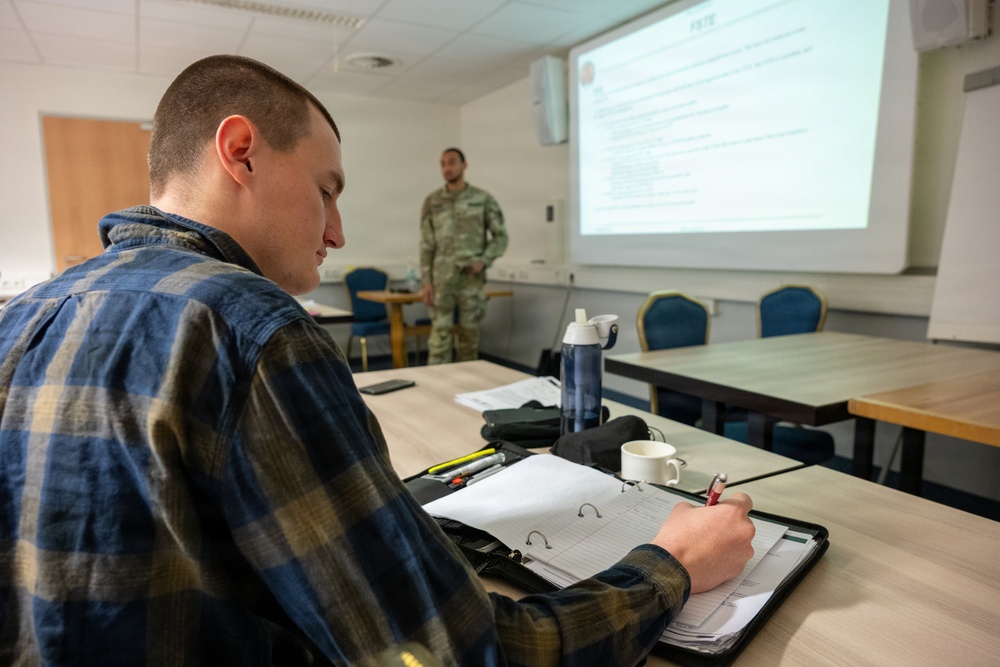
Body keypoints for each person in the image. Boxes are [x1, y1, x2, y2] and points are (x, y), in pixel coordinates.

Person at [0, 54, 756, 666]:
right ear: (240, 152)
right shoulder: (252, 328)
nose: (337, 231)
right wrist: (671, 562)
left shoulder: (21, 315)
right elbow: (462, 654)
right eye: (327, 190)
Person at [420, 148, 508, 364]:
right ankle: (436, 386)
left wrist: (484, 261)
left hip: (471, 280)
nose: (447, 168)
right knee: (439, 338)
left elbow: (500, 237)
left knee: (470, 338)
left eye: (451, 162)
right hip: (442, 280)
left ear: (464, 165)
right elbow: (426, 244)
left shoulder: (482, 199)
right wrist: (427, 281)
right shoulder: (433, 201)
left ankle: (469, 389)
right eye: (442, 164)